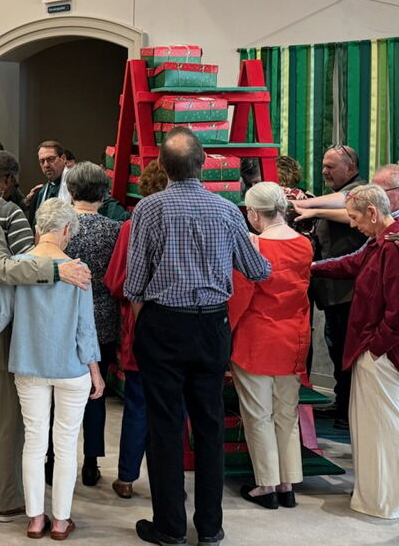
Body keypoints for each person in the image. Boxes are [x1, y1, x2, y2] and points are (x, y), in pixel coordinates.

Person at [125, 127, 270, 546]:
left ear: (161, 167)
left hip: (164, 324)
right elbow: (258, 271)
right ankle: (210, 526)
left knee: (165, 425)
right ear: (203, 163)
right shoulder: (226, 211)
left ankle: (169, 526)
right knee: (209, 426)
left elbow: (135, 284)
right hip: (211, 326)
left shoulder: (148, 210)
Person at [0, 168, 91, 524]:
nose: (1, 198)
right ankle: (9, 501)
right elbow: (1, 269)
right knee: (4, 425)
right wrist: (55, 271)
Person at [309, 184, 399, 519]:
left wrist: (377, 348)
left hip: (380, 354)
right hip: (374, 350)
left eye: (355, 217)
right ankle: (376, 495)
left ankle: (384, 500)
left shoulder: (393, 246)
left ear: (373, 213)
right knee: (373, 429)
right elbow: (349, 264)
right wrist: (307, 265)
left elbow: (396, 311)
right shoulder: (380, 242)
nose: (352, 224)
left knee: (382, 429)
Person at [227, 182, 311, 510]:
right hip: (294, 336)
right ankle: (288, 482)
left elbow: (241, 296)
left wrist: (225, 332)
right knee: (286, 412)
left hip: (257, 337)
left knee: (258, 414)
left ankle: (267, 484)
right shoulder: (304, 244)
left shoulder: (255, 245)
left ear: (252, 213)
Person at [105, 160, 168, 499]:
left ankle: (127, 477)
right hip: (183, 325)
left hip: (139, 323)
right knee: (175, 406)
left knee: (138, 404)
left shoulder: (133, 225)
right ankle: (168, 479)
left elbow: (117, 282)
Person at [64, 161, 122, 487]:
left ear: (71, 191)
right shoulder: (114, 231)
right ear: (104, 193)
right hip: (103, 319)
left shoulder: (60, 228)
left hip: (65, 318)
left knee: (60, 392)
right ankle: (91, 461)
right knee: (96, 393)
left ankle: (54, 458)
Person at [300, 145, 365, 429]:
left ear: (351, 169)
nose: (324, 171)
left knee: (345, 352)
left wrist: (306, 206)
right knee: (335, 347)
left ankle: (347, 412)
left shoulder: (360, 191)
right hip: (332, 292)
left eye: (330, 166)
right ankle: (341, 405)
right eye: (323, 165)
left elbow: (348, 206)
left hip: (349, 292)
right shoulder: (331, 197)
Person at [0, 150, 34, 254]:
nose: (15, 185)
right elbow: (27, 257)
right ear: (9, 178)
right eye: (14, 179)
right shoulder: (11, 212)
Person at [25, 140, 71, 226]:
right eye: (42, 161)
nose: (46, 165)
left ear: (63, 159)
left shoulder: (76, 186)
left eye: (51, 159)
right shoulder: (40, 193)